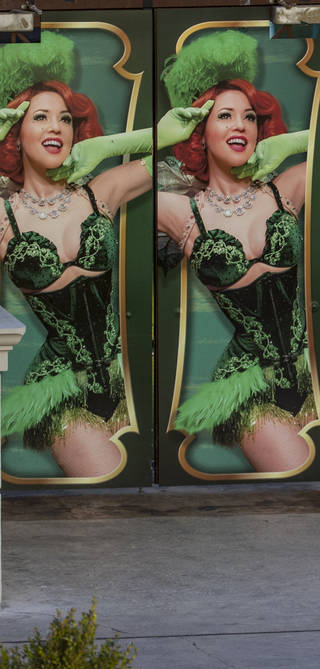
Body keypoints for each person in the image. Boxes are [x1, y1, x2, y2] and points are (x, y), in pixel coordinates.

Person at [0, 32, 205, 478]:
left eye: (66, 119)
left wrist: (108, 147)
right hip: (57, 387)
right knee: (98, 489)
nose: (56, 127)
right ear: (16, 134)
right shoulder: (5, 215)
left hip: (119, 381)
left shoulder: (100, 194)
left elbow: (180, 150)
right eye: (40, 118)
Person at [157, 30, 314, 473]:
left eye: (249, 117)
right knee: (293, 482)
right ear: (198, 130)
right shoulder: (182, 210)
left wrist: (287, 144)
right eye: (224, 115)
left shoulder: (286, 189)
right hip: (244, 382)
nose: (240, 126)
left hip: (307, 373)